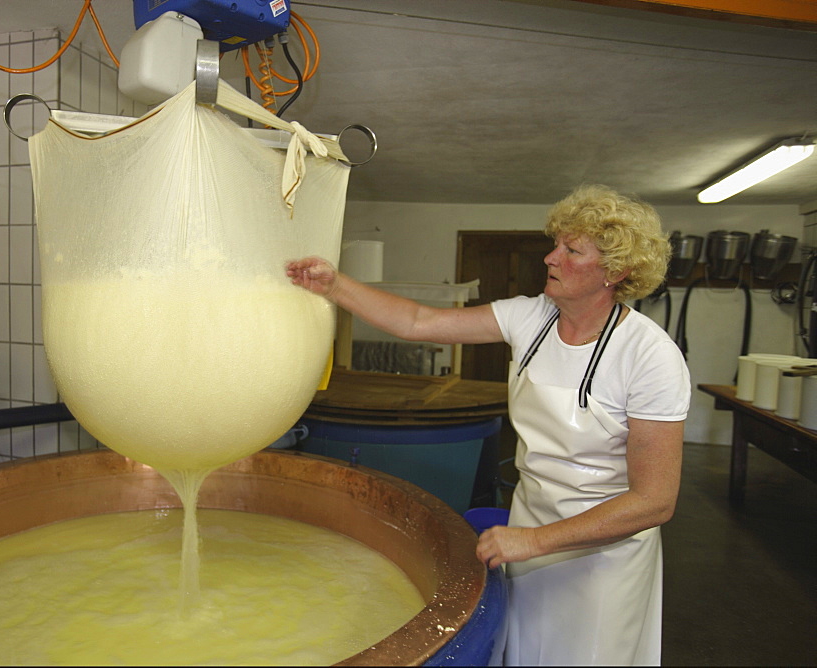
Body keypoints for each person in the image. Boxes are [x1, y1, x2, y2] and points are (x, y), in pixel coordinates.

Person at [286, 184, 690, 666]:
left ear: (615, 272)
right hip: (528, 520)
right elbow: (419, 322)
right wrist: (334, 285)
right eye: (556, 243)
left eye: (571, 250)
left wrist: (534, 541)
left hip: (601, 552)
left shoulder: (650, 357)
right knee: (522, 651)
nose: (550, 258)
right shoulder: (532, 317)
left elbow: (654, 501)